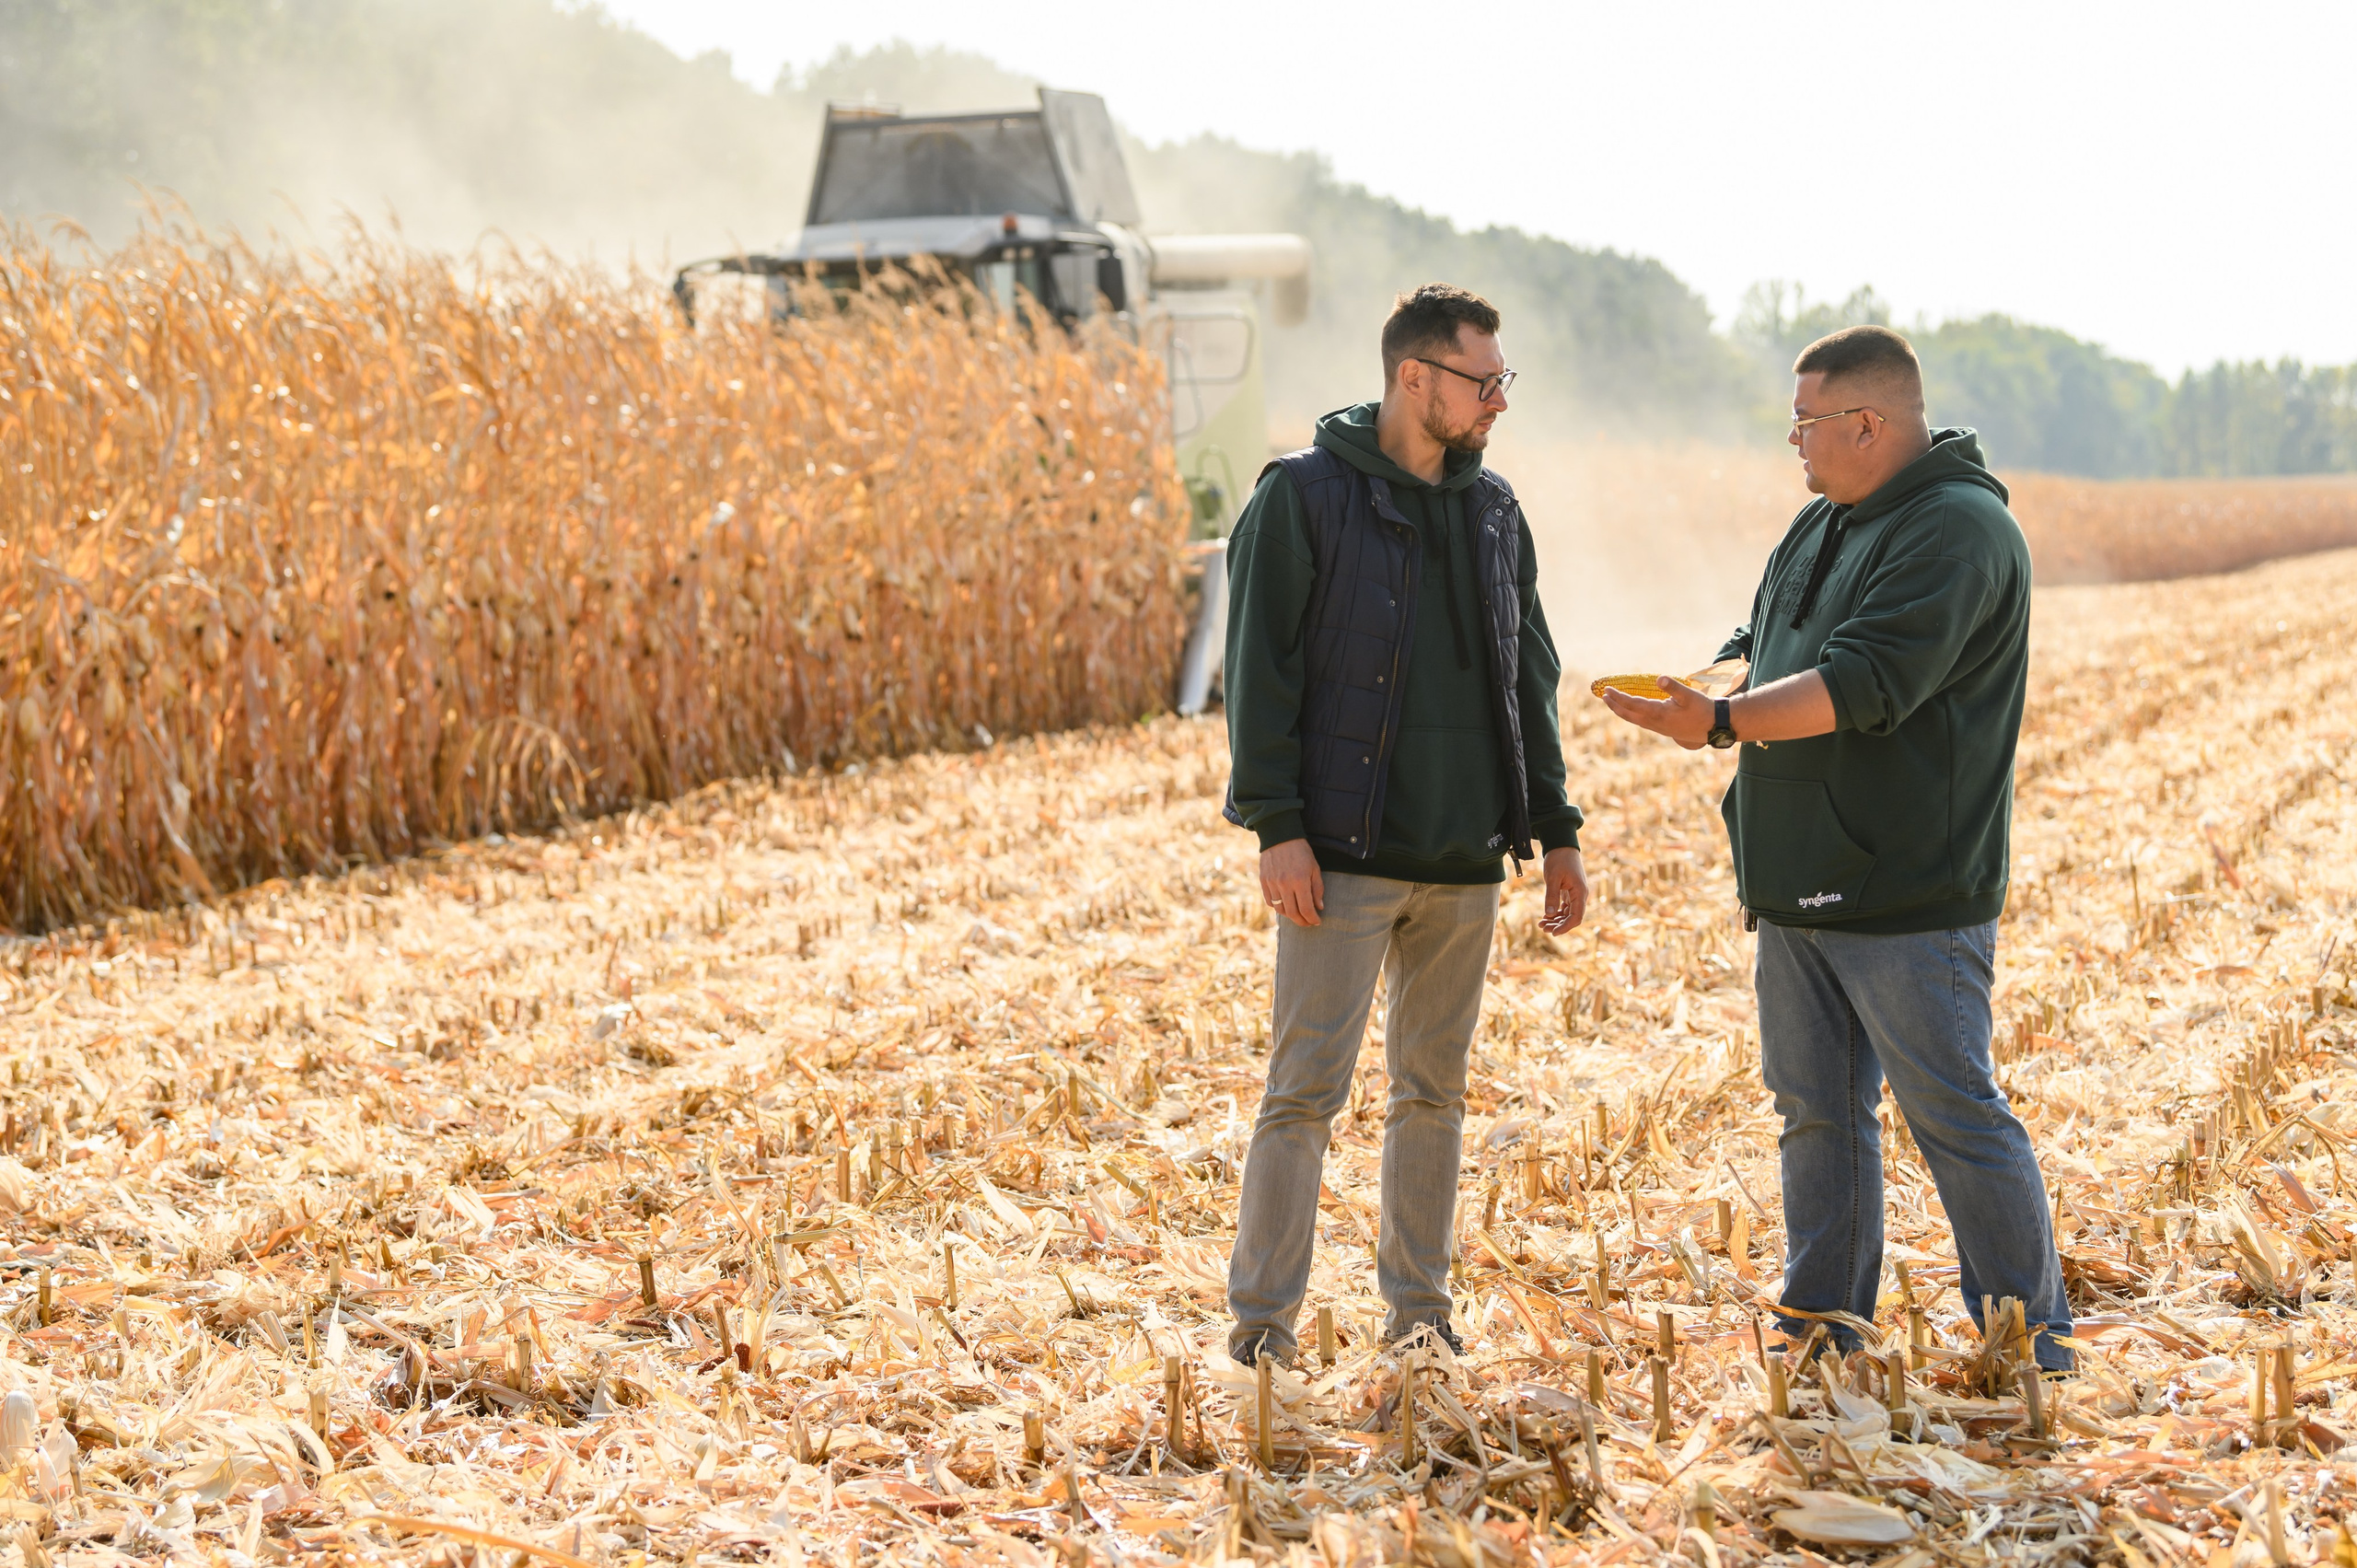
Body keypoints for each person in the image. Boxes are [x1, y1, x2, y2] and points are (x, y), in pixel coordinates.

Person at [1598, 324, 2071, 1370]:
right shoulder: (1824, 521)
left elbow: (1864, 683)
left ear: (1869, 421)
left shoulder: (1955, 530)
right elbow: (1773, 639)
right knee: (1815, 1113)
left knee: (1953, 1112)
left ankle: (2028, 1342)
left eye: (1805, 421)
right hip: (1799, 880)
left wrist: (1719, 725)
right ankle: (1821, 1325)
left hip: (1905, 888)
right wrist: (1710, 679)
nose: (1793, 440)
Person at [1219, 283, 1588, 1366]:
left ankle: (1419, 1316)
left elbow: (1532, 675)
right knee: (1302, 1095)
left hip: (1464, 862)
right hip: (1339, 858)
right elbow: (1259, 673)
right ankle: (1261, 1331)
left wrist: (1554, 827)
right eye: (1483, 382)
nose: (1497, 403)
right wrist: (1275, 823)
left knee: (1434, 1095)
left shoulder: (1494, 509)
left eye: (1502, 382)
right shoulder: (1301, 496)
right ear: (1413, 378)